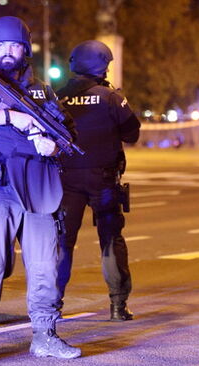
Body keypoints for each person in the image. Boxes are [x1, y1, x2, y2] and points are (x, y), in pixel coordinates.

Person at [0, 16, 81, 363]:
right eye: (1, 46)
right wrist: (13, 117)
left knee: (44, 267)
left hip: (39, 185)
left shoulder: (43, 91)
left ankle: (45, 335)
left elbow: (67, 133)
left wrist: (52, 146)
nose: (8, 51)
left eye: (14, 45)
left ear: (25, 49)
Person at [55, 40, 140, 321]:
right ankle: (118, 306)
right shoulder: (111, 97)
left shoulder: (58, 96)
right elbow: (132, 133)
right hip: (103, 180)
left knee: (62, 242)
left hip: (66, 180)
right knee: (111, 240)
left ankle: (52, 305)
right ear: (102, 65)